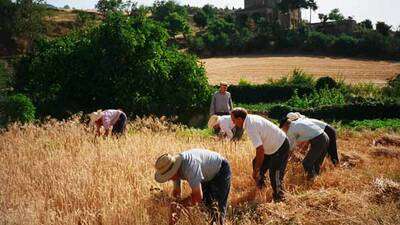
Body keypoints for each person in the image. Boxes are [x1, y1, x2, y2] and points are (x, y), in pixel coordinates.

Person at [154, 149, 231, 225]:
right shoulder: (174, 169)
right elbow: (177, 193)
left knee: (217, 211)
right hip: (206, 174)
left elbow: (197, 197)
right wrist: (174, 208)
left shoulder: (189, 166)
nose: (168, 179)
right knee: (205, 207)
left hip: (220, 169)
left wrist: (180, 205)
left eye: (169, 176)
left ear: (174, 170)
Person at [230, 107, 290, 202]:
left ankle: (280, 199)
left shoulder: (251, 126)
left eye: (234, 120)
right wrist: (257, 168)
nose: (233, 123)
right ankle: (262, 187)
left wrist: (257, 170)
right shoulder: (249, 119)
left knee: (274, 174)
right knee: (256, 163)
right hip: (271, 147)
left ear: (240, 119)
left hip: (280, 146)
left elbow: (260, 150)